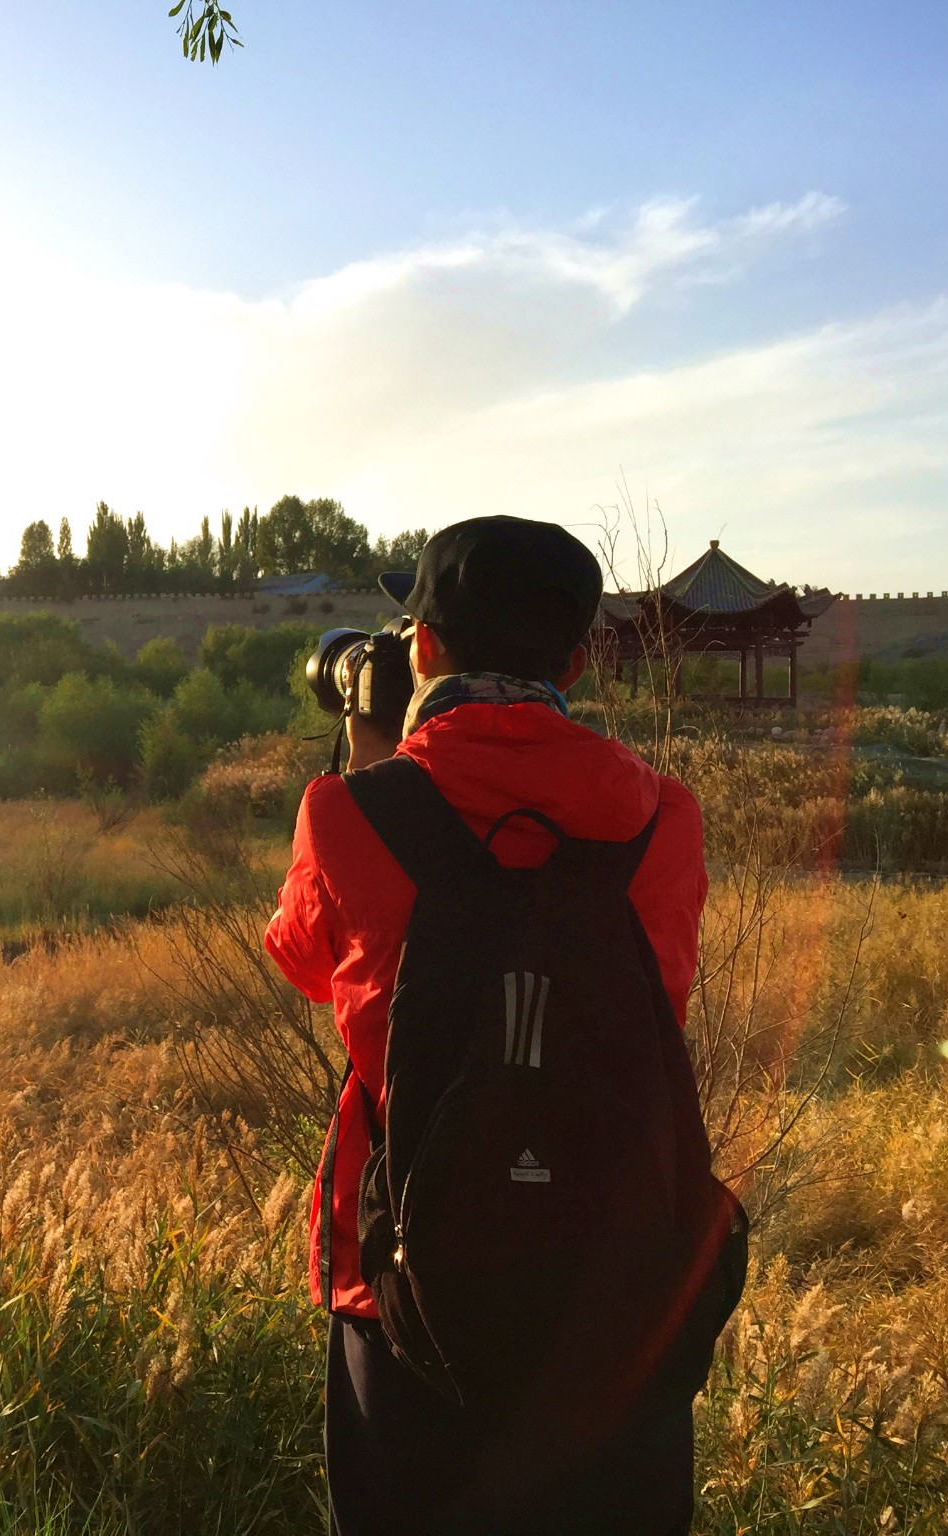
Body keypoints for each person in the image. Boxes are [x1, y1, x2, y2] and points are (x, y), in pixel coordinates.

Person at [263, 516, 712, 1536]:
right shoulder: (661, 816)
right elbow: (660, 994)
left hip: (401, 1277)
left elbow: (303, 966)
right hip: (617, 1280)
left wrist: (375, 757)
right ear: (576, 660)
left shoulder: (345, 811)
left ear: (420, 646)